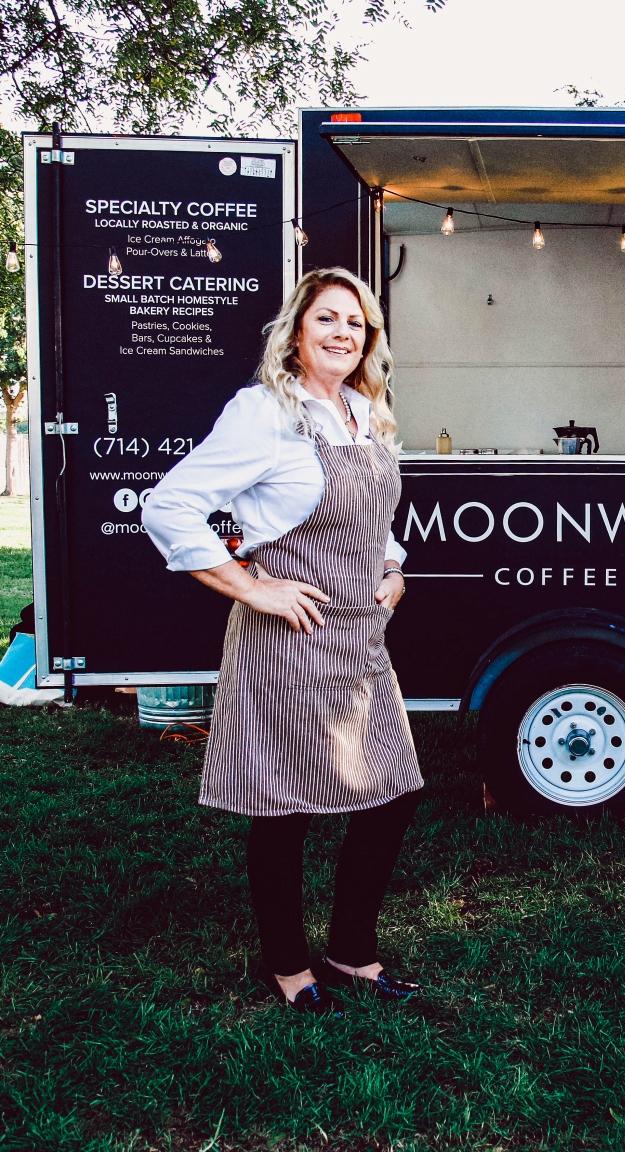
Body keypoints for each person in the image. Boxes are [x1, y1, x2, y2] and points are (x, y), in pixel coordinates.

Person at [143, 267, 425, 1016]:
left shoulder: (365, 413)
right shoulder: (265, 412)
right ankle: (288, 966)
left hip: (361, 638)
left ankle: (351, 950)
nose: (342, 333)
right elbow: (169, 507)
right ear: (296, 331)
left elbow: (374, 519)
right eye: (327, 317)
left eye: (356, 323)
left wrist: (394, 567)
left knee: (392, 793)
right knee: (284, 803)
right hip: (288, 639)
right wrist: (252, 587)